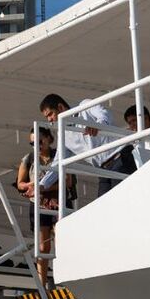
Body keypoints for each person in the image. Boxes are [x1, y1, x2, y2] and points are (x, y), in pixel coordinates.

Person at [38, 94, 122, 199]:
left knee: (119, 201)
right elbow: (58, 162)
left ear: (60, 107)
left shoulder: (84, 106)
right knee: (104, 209)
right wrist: (41, 185)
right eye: (47, 117)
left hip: (120, 158)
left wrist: (98, 125)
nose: (49, 119)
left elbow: (105, 114)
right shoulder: (63, 133)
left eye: (50, 114)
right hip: (103, 171)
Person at [16, 127, 66, 288]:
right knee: (43, 245)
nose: (36, 145)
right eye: (32, 143)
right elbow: (20, 184)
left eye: (39, 141)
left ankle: (64, 281)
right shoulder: (29, 158)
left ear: (48, 139)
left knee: (61, 241)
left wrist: (42, 187)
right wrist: (34, 185)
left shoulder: (59, 155)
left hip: (58, 201)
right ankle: (42, 285)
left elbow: (68, 181)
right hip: (38, 203)